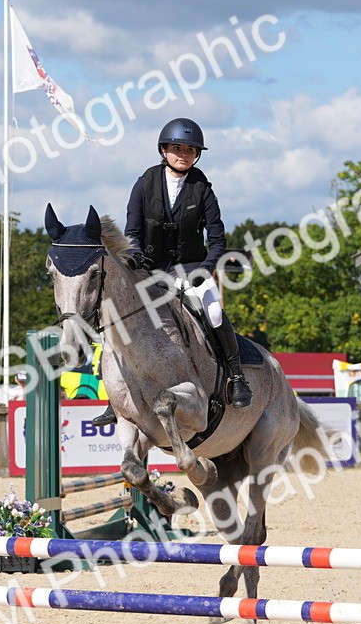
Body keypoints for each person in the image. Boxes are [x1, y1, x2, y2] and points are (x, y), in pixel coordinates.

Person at [93, 117, 251, 426]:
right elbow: (132, 230)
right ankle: (115, 396)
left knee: (214, 312)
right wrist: (136, 255)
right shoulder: (145, 183)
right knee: (117, 318)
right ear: (164, 149)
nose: (184, 155)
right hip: (150, 269)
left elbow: (217, 239)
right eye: (177, 148)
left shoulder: (202, 187)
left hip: (192, 268)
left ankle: (236, 376)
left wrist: (205, 269)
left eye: (191, 150)